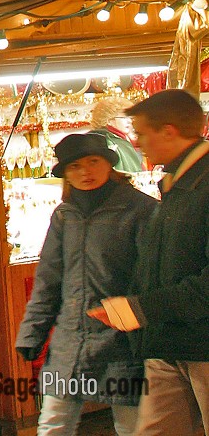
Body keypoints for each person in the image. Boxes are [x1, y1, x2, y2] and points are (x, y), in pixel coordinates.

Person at [15, 130, 156, 436]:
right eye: (75, 166)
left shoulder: (141, 210)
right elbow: (48, 280)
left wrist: (141, 320)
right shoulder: (64, 215)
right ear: (65, 173)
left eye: (93, 161)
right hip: (70, 341)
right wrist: (32, 333)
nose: (85, 172)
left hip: (124, 341)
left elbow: (151, 276)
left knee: (132, 427)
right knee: (53, 424)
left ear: (109, 164)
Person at [91, 88, 209, 436]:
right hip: (168, 341)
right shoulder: (177, 182)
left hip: (201, 344)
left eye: (141, 133)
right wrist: (132, 306)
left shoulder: (201, 184)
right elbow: (158, 262)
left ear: (169, 131)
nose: (137, 143)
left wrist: (142, 308)